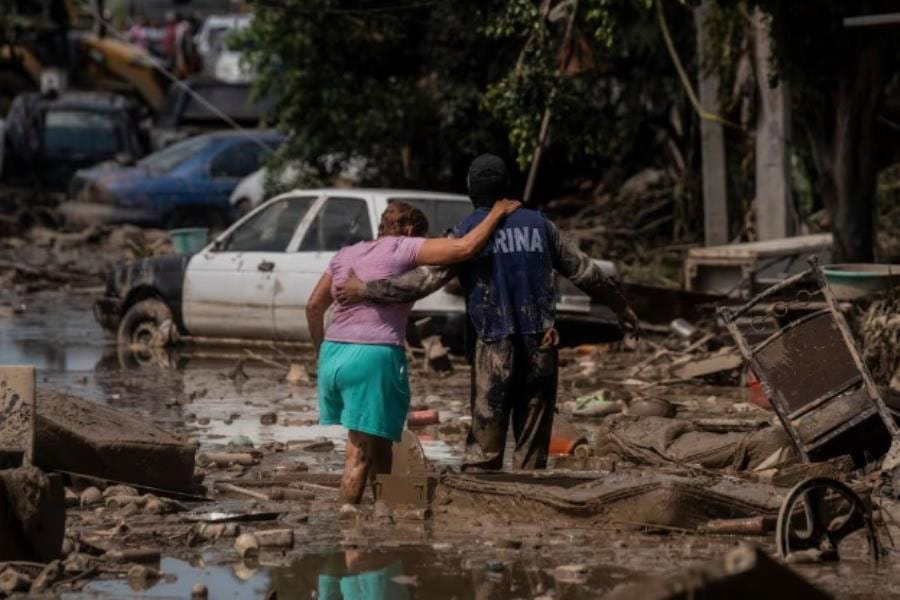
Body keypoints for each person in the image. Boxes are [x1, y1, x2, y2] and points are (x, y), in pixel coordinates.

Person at [335, 154, 639, 472]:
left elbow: (421, 283)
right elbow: (586, 272)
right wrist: (621, 307)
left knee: (484, 449)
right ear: (507, 187)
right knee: (532, 446)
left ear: (471, 190)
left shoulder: (467, 233)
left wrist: (365, 289)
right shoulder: (541, 225)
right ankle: (532, 502)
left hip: (492, 345)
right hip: (541, 343)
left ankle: (482, 509)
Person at [305, 199, 521, 504]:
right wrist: (496, 213)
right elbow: (464, 249)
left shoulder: (346, 253)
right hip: (373, 357)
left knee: (380, 442)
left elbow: (314, 307)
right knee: (360, 453)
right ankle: (348, 526)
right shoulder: (403, 248)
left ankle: (385, 509)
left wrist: (322, 353)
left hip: (334, 355)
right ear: (408, 230)